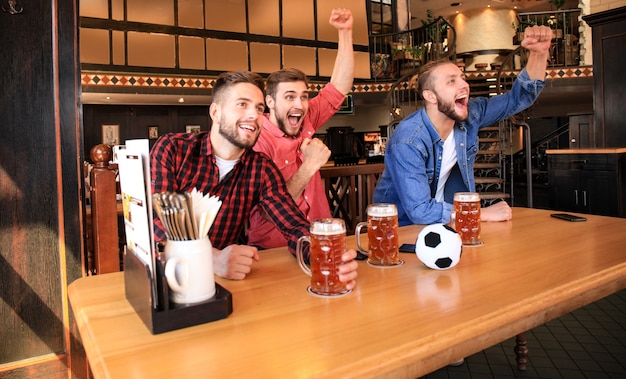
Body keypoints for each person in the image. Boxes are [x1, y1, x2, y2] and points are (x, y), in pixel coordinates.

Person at [150, 71, 358, 287]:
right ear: (216, 112)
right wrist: (211, 259)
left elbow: (294, 225)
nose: (253, 115)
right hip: (165, 279)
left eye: (259, 108)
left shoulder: (260, 168)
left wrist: (323, 258)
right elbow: (158, 225)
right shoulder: (173, 149)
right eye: (242, 104)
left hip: (226, 283)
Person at [373, 25, 554, 226]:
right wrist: (480, 213)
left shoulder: (470, 115)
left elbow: (518, 98)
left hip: (446, 224)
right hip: (399, 229)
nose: (464, 85)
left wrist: (539, 53)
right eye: (451, 81)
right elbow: (420, 211)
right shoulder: (409, 140)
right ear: (430, 96)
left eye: (462, 78)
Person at [247, 8, 355, 249]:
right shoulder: (257, 139)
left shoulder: (306, 118)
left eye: (304, 96)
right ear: (270, 102)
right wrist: (309, 165)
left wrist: (345, 33)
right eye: (290, 97)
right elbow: (268, 211)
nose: (299, 104)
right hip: (274, 249)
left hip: (319, 239)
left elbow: (339, 85)